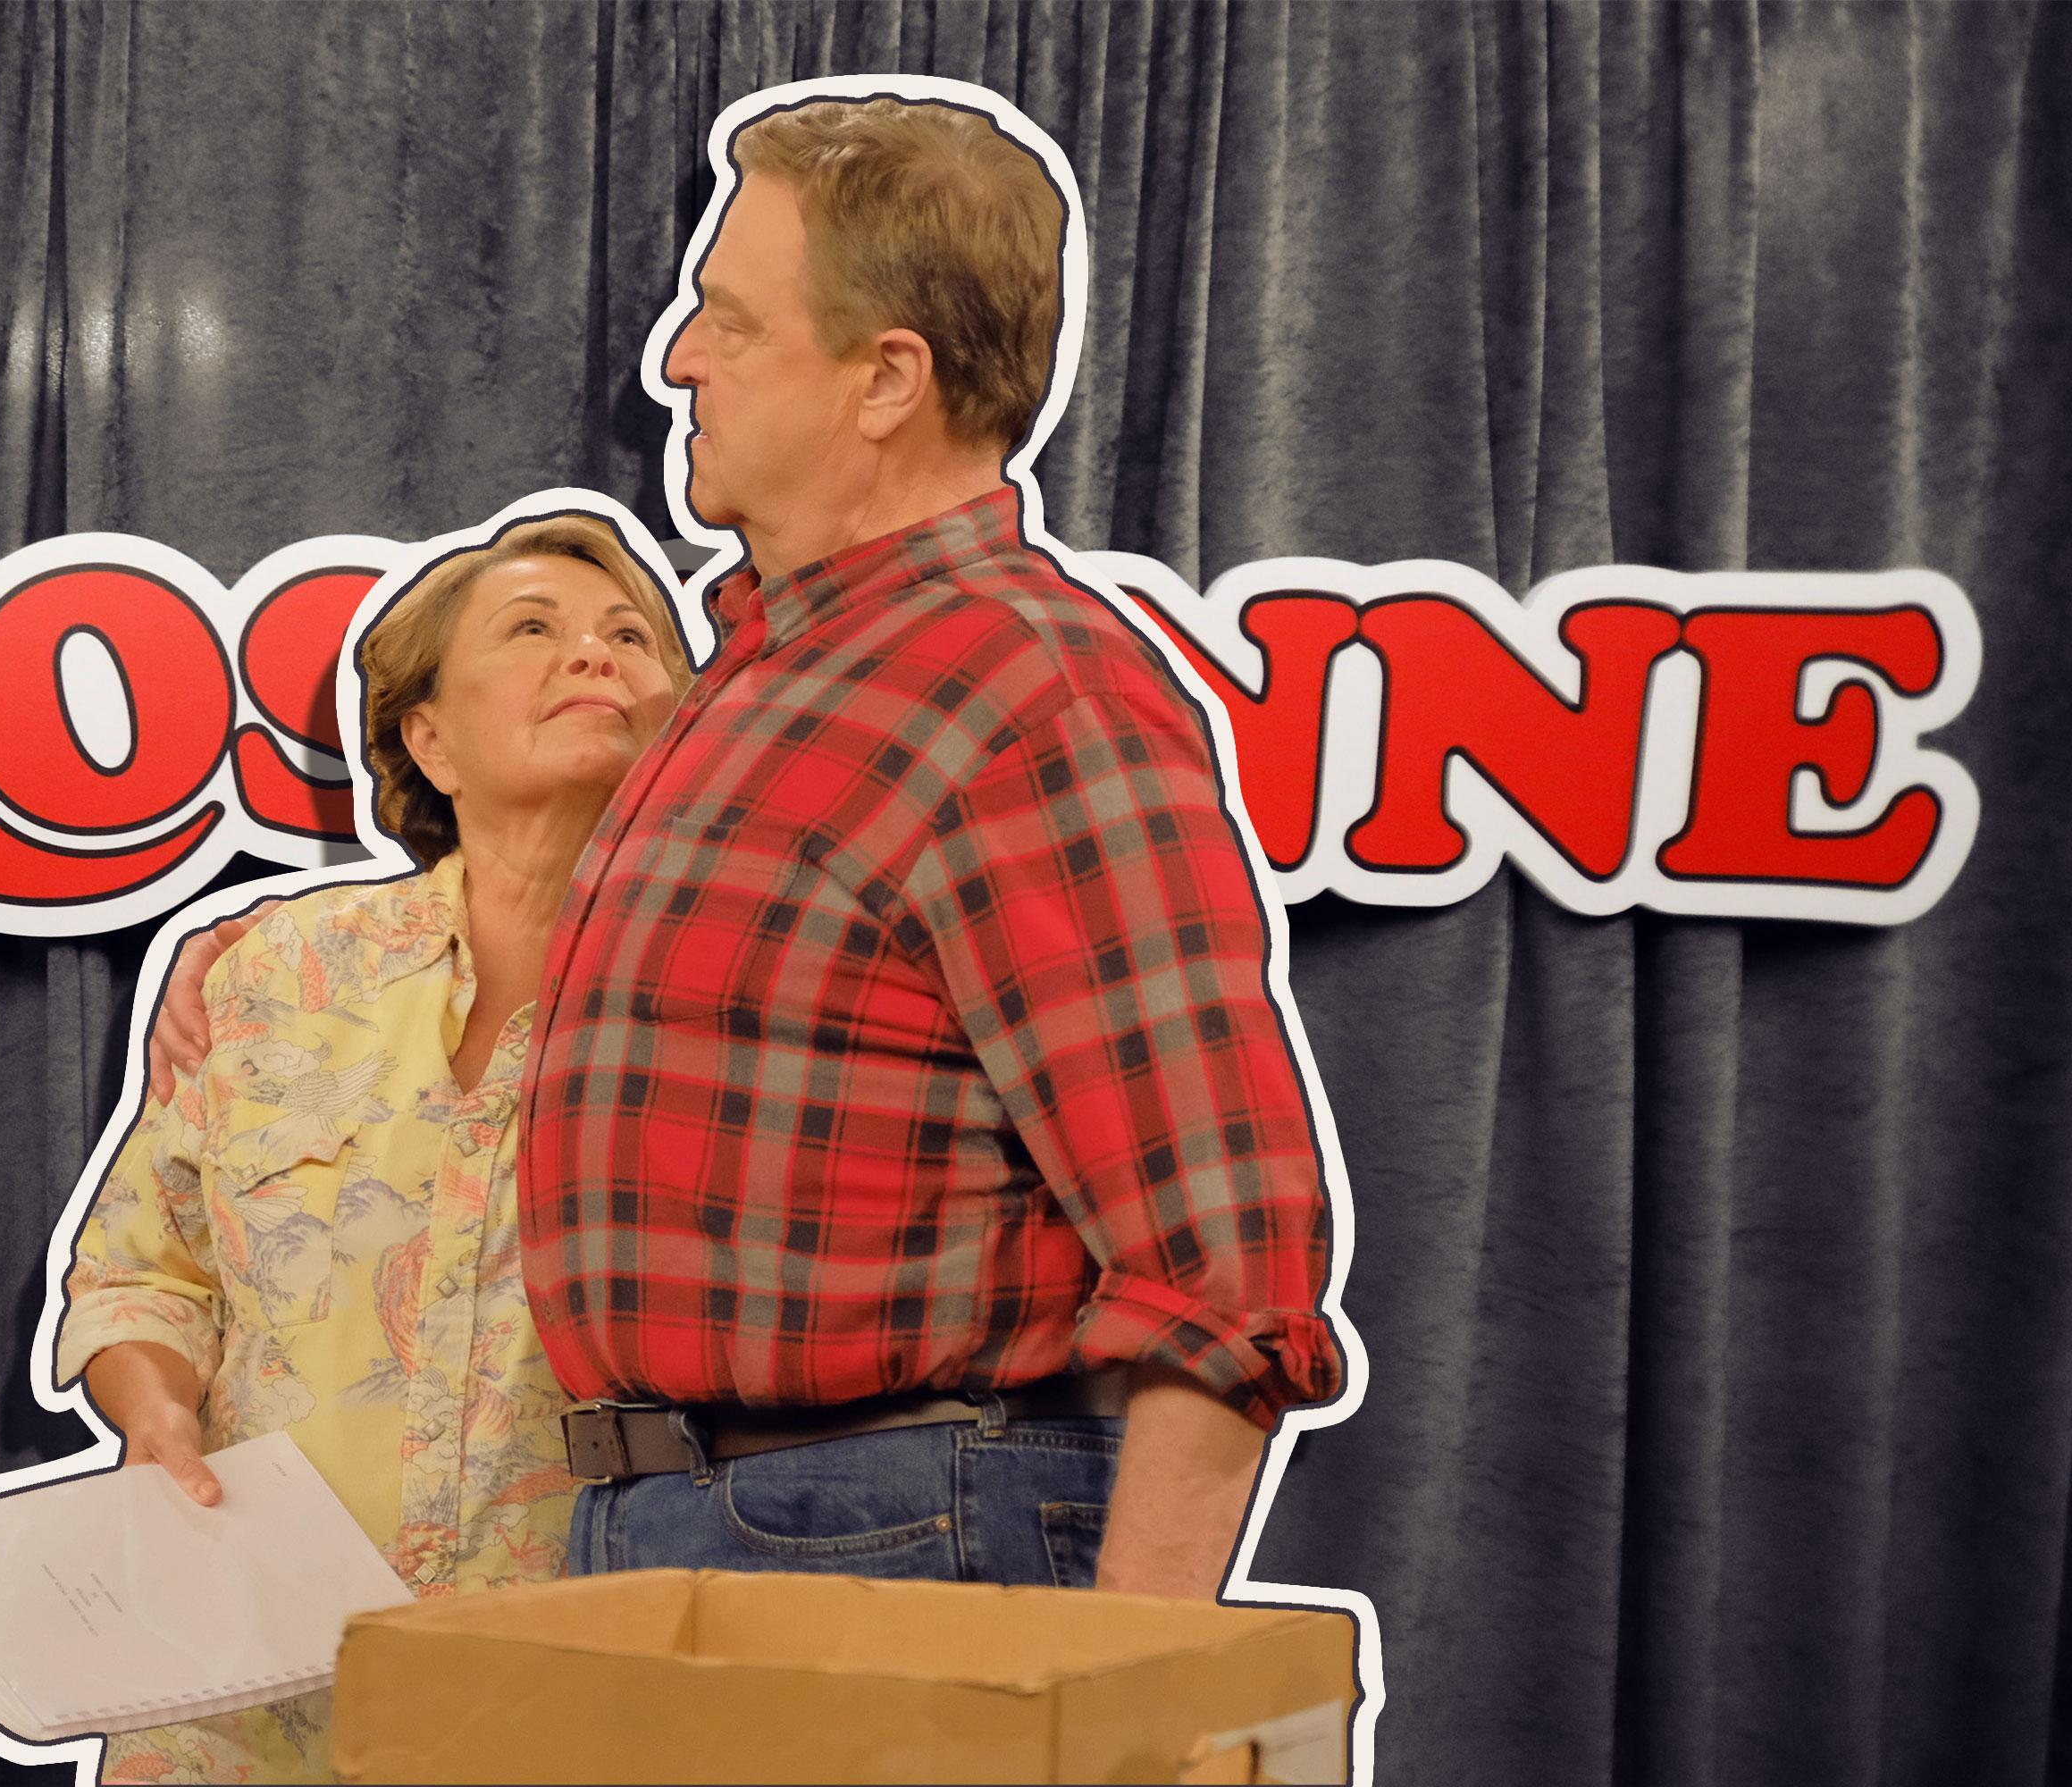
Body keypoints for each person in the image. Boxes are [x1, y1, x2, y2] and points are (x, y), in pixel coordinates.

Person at [154, 96, 1341, 1606]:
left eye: (731, 318)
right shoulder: (764, 683)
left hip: (889, 1525)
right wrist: (266, 957)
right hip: (683, 1519)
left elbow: (1222, 1249)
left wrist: (1136, 1688)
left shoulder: (1024, 690)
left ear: (886, 379)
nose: (677, 359)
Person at [59, 514, 691, 1783]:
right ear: (429, 740)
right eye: (533, 629)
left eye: (631, 637)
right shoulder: (279, 969)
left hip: (575, 1695)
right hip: (245, 1694)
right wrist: (157, 1417)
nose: (594, 654)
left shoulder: (737, 989)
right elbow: (144, 1271)